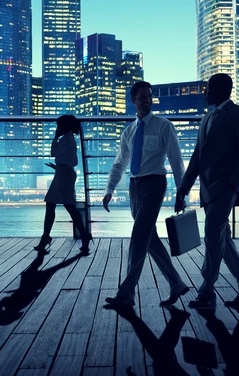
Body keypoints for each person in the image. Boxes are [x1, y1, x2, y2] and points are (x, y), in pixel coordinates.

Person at [175, 73, 239, 310]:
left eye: (208, 88)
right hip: (208, 189)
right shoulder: (207, 118)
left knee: (212, 236)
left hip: (225, 188)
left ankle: (207, 290)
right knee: (222, 239)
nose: (205, 92)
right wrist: (183, 188)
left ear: (222, 89)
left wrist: (233, 185)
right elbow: (197, 157)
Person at [103, 81, 191, 308]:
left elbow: (176, 161)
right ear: (133, 100)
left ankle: (126, 293)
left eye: (149, 96)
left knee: (139, 234)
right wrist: (109, 189)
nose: (147, 100)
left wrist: (182, 193)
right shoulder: (129, 131)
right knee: (149, 238)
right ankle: (177, 283)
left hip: (155, 184)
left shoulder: (163, 126)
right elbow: (119, 163)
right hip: (134, 187)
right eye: (142, 97)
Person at [35, 114, 92, 255]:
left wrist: (55, 137)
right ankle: (83, 235)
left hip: (63, 175)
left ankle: (47, 238)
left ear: (65, 126)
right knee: (63, 206)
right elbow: (73, 161)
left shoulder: (66, 139)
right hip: (63, 174)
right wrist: (59, 167)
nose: (57, 128)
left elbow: (53, 152)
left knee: (61, 206)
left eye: (59, 125)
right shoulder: (70, 139)